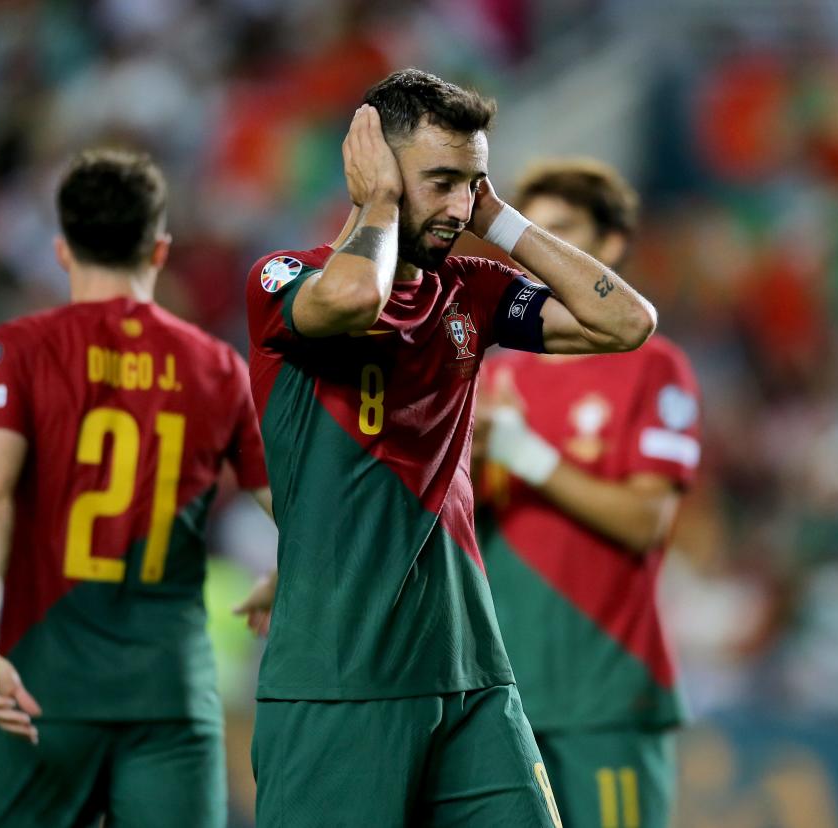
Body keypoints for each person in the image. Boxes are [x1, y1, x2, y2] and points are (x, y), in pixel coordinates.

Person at [243, 68, 657, 826]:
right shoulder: (283, 280)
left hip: (472, 674)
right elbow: (352, 298)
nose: (459, 206)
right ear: (378, 166)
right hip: (342, 679)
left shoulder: (471, 289)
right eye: (441, 181)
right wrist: (376, 204)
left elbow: (626, 322)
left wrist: (499, 219)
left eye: (473, 182)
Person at [0, 148, 272, 828]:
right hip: (168, 696)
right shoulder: (216, 366)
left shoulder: (19, 348)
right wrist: (291, 570)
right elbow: (292, 510)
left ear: (62, 251)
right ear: (160, 250)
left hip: (42, 688)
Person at [473, 158, 702, 828]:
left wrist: (531, 458)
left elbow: (645, 521)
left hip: (603, 689)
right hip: (503, 693)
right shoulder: (494, 376)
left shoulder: (653, 365)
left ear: (609, 246)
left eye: (563, 233)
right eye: (531, 235)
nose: (542, 256)